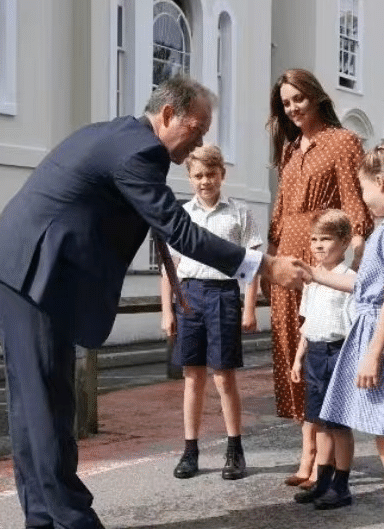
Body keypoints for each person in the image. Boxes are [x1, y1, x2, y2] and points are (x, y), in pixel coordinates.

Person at [0, 76, 310, 529]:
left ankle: (43, 518)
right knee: (47, 403)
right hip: (35, 272)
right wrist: (264, 267)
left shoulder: (119, 135)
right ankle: (72, 520)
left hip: (19, 266)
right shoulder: (140, 151)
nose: (201, 139)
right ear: (169, 115)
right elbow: (181, 231)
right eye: (197, 127)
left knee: (32, 402)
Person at [312, 143, 384, 529]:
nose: (363, 199)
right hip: (381, 332)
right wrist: (312, 274)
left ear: (380, 183)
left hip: (383, 338)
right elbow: (368, 288)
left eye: (364, 190)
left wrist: (373, 354)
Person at [265, 68, 373, 489]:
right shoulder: (291, 150)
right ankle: (307, 449)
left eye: (298, 99)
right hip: (286, 264)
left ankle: (320, 457)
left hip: (321, 263)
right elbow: (278, 215)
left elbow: (354, 207)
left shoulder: (342, 142)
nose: (292, 108)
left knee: (321, 356)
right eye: (286, 102)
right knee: (294, 354)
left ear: (316, 97)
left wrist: (358, 268)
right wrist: (270, 260)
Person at [159, 144, 262, 481]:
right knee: (193, 376)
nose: (205, 181)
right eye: (198, 175)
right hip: (189, 295)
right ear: (189, 178)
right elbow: (169, 268)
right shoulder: (182, 215)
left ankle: (235, 449)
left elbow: (252, 265)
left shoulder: (239, 214)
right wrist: (167, 311)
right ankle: (190, 450)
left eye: (211, 174)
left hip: (223, 296)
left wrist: (249, 306)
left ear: (222, 174)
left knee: (224, 376)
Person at [289, 209, 356, 510]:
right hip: (315, 354)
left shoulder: (349, 280)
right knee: (319, 423)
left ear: (344, 243)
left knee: (338, 425)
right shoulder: (311, 280)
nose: (317, 245)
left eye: (325, 239)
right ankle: (323, 482)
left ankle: (341, 487)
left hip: (338, 353)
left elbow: (355, 326)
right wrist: (298, 359)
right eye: (314, 238)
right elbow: (308, 324)